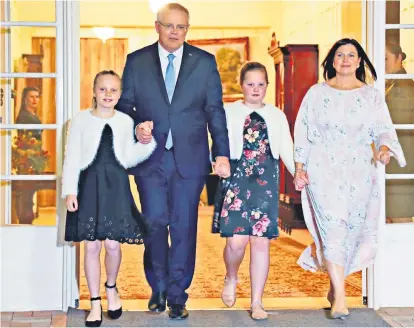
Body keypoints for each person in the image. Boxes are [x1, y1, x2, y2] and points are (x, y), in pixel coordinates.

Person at [116, 2, 230, 320]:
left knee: (183, 227)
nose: (175, 32)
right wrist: (135, 125)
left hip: (189, 160)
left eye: (182, 27)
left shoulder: (205, 63)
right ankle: (159, 288)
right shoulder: (136, 62)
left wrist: (221, 152)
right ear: (157, 26)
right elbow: (124, 106)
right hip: (150, 158)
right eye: (170, 26)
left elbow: (214, 111)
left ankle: (178, 295)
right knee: (154, 223)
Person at [293, 38, 406, 320]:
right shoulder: (316, 94)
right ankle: (340, 297)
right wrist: (299, 167)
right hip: (322, 168)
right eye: (340, 55)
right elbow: (303, 131)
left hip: (359, 170)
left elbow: (383, 129)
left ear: (359, 61)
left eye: (351, 55)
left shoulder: (371, 96)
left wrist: (383, 149)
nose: (345, 59)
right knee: (332, 228)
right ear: (332, 61)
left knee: (352, 230)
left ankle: (335, 283)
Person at [62, 70, 156, 327]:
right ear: (94, 91)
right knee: (91, 246)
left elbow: (129, 157)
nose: (108, 94)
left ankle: (111, 288)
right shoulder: (79, 121)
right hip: (88, 187)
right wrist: (70, 190)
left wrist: (147, 142)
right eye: (103, 89)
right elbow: (71, 158)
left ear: (119, 94)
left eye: (113, 90)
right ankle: (94, 302)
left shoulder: (125, 121)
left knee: (113, 245)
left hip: (116, 188)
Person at [212, 62, 295, 320]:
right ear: (241, 85)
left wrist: (299, 174)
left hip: (265, 181)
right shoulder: (228, 112)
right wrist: (216, 162)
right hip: (237, 179)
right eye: (250, 83)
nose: (256, 89)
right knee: (236, 243)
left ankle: (257, 301)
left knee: (260, 242)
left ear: (267, 86)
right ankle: (231, 276)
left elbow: (287, 149)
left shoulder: (277, 115)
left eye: (261, 84)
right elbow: (215, 141)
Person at [385, 42, 414, 222]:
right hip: (397, 164)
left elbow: (397, 126)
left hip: (401, 165)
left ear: (399, 59)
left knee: (399, 219)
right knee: (393, 220)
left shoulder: (402, 89)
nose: (382, 63)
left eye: (386, 58)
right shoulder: (392, 85)